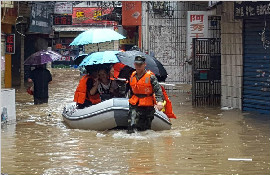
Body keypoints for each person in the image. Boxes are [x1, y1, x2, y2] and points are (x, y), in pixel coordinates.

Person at [127, 55, 164, 134]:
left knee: (144, 129)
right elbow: (130, 89)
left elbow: (158, 90)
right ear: (134, 64)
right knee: (132, 124)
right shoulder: (132, 75)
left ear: (144, 65)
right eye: (137, 64)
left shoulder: (151, 77)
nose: (138, 66)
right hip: (135, 103)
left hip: (147, 105)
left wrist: (159, 102)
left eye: (140, 64)